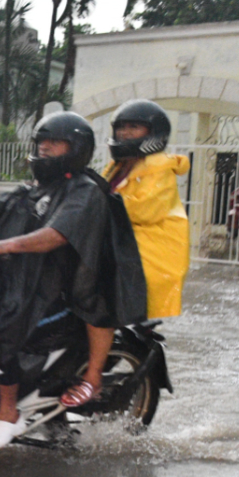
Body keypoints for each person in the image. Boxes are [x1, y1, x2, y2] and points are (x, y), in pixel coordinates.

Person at [0, 111, 140, 450]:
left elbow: (55, 236)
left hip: (58, 291)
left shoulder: (84, 192)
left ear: (75, 148)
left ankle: (6, 412)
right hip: (20, 277)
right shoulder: (36, 188)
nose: (44, 147)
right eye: (41, 141)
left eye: (55, 142)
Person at [101, 99, 190, 321]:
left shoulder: (159, 168)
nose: (125, 133)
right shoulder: (118, 165)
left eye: (134, 127)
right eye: (121, 127)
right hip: (124, 239)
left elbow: (142, 209)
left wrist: (100, 205)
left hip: (150, 250)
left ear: (153, 133)